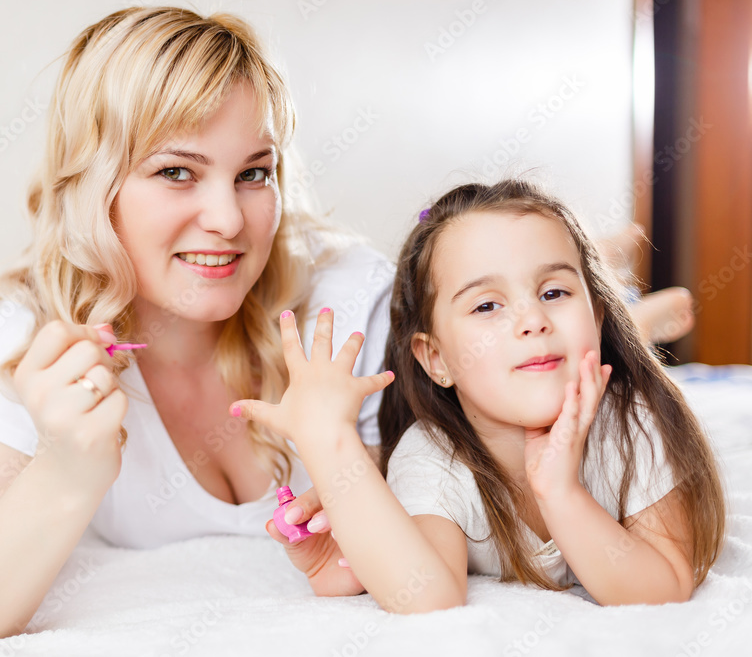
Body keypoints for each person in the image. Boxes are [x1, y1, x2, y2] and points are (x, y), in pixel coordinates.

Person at [0, 6, 394, 639]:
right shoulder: (41, 342)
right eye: (176, 172)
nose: (228, 220)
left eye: (252, 174)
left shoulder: (346, 303)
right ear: (96, 190)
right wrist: (67, 470)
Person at [231, 179, 726, 612]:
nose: (531, 319)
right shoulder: (434, 456)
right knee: (551, 345)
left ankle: (628, 313)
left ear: (596, 316)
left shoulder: (629, 421)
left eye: (554, 292)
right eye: (487, 305)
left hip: (584, 352)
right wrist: (329, 444)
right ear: (437, 360)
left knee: (586, 349)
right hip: (551, 357)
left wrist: (562, 492)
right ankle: (628, 302)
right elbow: (427, 594)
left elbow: (665, 585)